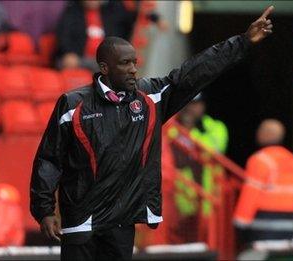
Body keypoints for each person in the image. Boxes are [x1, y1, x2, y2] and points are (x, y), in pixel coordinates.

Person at [31, 6, 274, 260]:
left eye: (134, 62)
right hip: (81, 222)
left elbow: (194, 73)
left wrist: (242, 42)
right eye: (125, 63)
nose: (133, 69)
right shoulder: (72, 105)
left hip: (121, 222)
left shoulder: (150, 98)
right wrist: (44, 210)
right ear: (104, 68)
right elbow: (49, 159)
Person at [167, 94, 229, 242]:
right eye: (186, 104)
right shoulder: (170, 125)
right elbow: (170, 154)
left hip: (207, 194)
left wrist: (188, 133)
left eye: (195, 104)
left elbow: (211, 151)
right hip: (178, 198)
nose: (190, 108)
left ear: (203, 106)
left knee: (206, 241)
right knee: (177, 242)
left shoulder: (216, 127)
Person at [233, 119, 293, 247]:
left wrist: (240, 222)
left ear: (267, 134)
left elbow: (250, 194)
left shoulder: (259, 160)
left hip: (264, 223)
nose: (257, 134)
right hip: (289, 222)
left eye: (261, 130)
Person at [52, 0, 167, 71]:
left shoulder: (111, 12)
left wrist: (156, 19)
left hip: (104, 60)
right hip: (79, 58)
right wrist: (67, 53)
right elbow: (63, 36)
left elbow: (136, 15)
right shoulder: (72, 12)